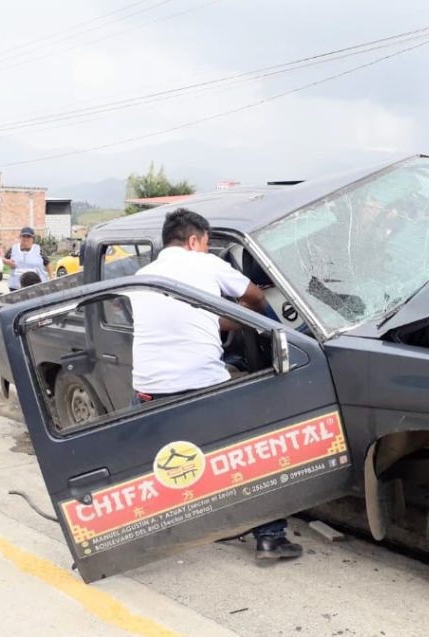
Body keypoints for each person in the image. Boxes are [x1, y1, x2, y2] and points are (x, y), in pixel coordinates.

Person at [129, 208, 303, 561]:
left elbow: (185, 320)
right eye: (206, 244)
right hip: (201, 385)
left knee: (155, 466)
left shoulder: (141, 276)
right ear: (194, 241)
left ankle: (136, 541)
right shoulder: (205, 265)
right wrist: (244, 316)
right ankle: (270, 537)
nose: (206, 250)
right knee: (252, 453)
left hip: (148, 389)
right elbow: (254, 299)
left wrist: (222, 321)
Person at [3, 227, 50, 291]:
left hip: (36, 285)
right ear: (20, 237)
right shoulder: (14, 249)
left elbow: (48, 263)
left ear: (33, 238)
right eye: (24, 236)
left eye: (28, 236)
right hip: (16, 285)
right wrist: (8, 262)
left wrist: (51, 278)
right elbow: (4, 259)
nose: (26, 238)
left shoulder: (38, 249)